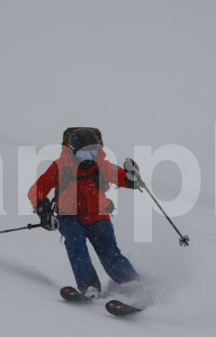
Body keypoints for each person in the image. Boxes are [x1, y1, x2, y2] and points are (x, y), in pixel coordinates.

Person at [28, 128, 142, 298]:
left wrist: (131, 178)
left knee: (108, 250)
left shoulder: (101, 165)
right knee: (75, 241)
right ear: (72, 151)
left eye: (92, 153)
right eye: (83, 154)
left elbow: (119, 176)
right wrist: (43, 210)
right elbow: (38, 188)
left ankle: (132, 284)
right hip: (68, 215)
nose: (88, 158)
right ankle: (89, 286)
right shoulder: (60, 166)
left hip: (97, 214)